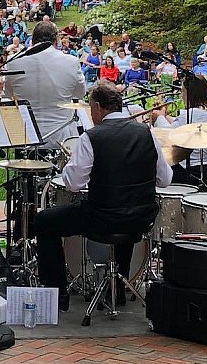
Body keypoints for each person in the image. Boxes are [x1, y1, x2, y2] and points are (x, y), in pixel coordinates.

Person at [34, 81, 172, 311]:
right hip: (141, 218)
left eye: (90, 108)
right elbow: (165, 179)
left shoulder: (92, 137)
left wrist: (71, 163)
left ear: (98, 107)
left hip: (104, 217)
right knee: (125, 211)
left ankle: (56, 293)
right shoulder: (146, 133)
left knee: (44, 221)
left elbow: (73, 184)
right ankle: (115, 289)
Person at [3, 21, 87, 146]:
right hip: (62, 136)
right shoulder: (71, 61)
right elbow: (80, 93)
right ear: (56, 40)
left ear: (32, 40)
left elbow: (9, 93)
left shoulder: (14, 62)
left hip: (27, 136)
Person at [167, 73, 207, 189]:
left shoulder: (188, 116)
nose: (181, 96)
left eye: (182, 91)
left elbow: (167, 137)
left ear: (189, 94)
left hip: (194, 170)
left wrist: (159, 118)